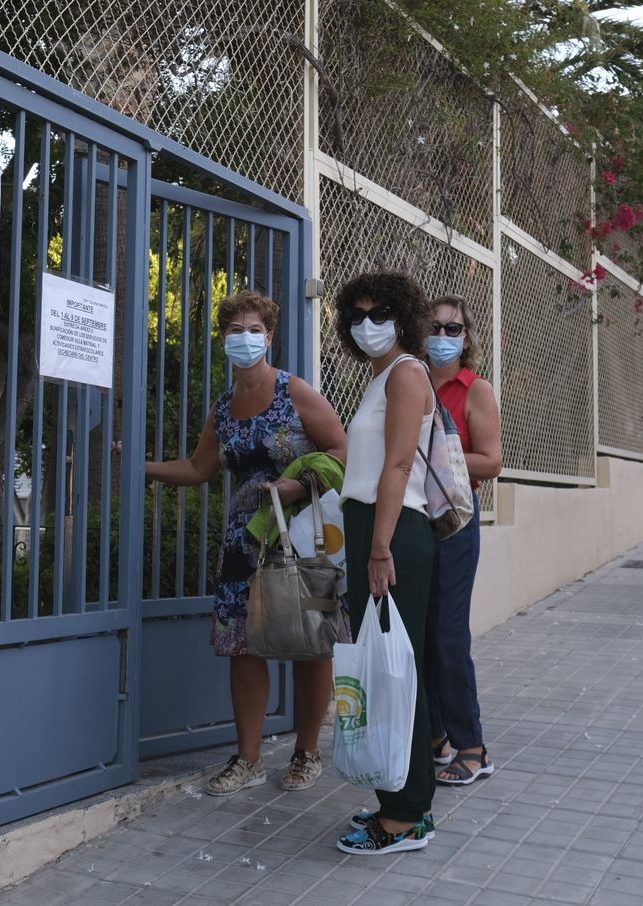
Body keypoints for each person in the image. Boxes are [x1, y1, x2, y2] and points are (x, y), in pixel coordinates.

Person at [143, 290, 347, 796]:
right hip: (245, 545)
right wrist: (140, 465)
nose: (244, 338)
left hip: (305, 537)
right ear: (222, 339)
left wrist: (300, 484)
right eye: (233, 330)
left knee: (312, 642)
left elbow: (342, 448)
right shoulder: (224, 408)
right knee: (242, 645)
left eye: (253, 329)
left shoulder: (294, 392)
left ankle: (306, 752)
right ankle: (249, 758)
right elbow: (199, 468)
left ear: (270, 336)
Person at [332, 272, 440, 856]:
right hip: (372, 528)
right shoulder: (379, 376)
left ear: (404, 318)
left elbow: (397, 468)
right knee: (382, 666)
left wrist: (378, 548)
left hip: (392, 532)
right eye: (358, 315)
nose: (367, 325)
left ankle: (408, 816)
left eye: (380, 314)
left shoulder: (406, 373)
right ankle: (395, 793)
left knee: (400, 667)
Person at [423, 294, 502, 787]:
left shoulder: (474, 389)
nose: (443, 336)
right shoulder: (407, 381)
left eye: (453, 329)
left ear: (467, 338)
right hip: (412, 520)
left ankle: (472, 745)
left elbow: (491, 461)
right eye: (434, 326)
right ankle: (436, 735)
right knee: (419, 631)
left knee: (448, 634)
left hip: (454, 521)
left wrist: (436, 452)